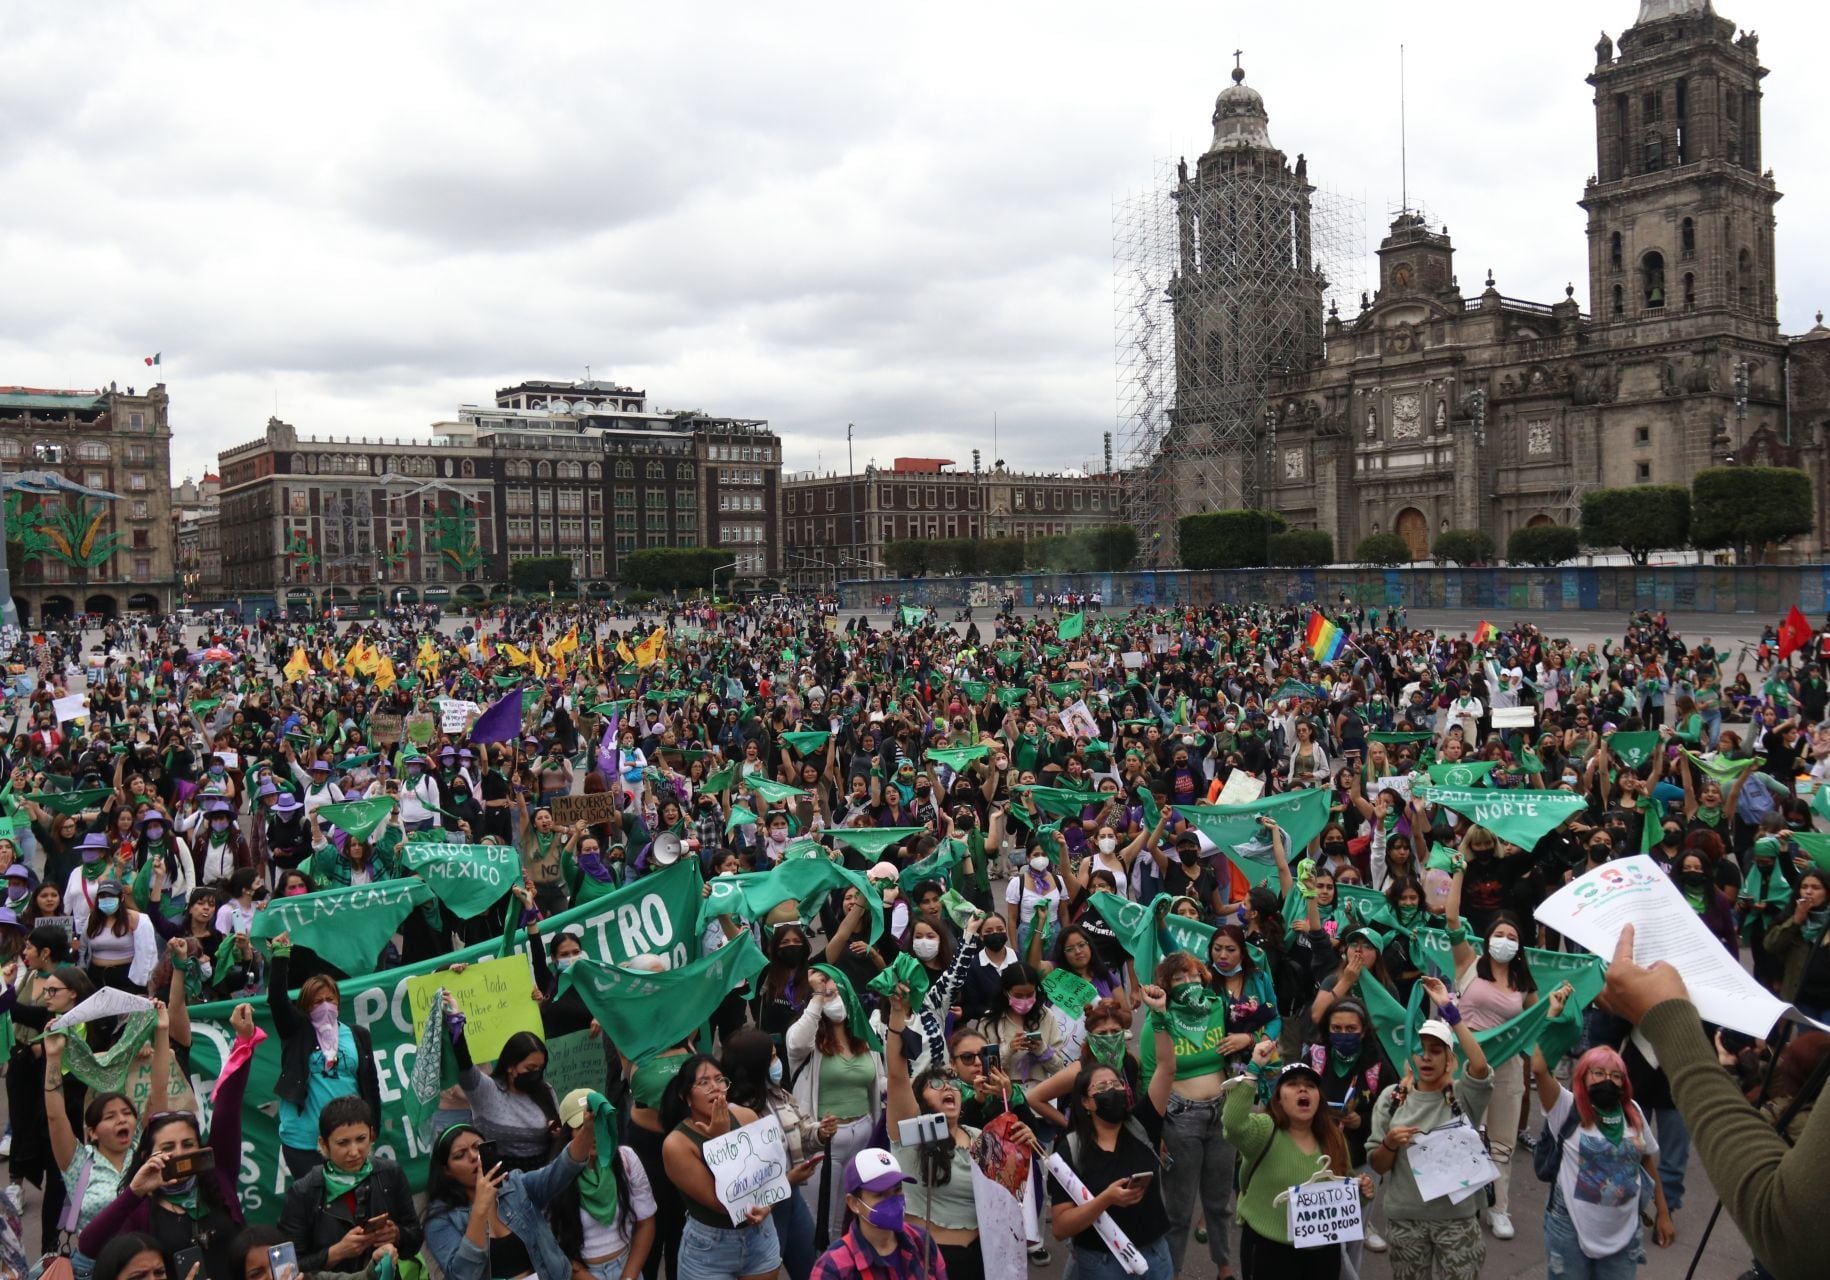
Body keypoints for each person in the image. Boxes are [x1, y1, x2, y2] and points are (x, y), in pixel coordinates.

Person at [1600, 923, 1830, 1280]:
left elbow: (1789, 1232)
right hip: (1643, 1081)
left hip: (1677, 1091)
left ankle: (1666, 1209)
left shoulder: (1707, 998)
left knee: (1672, 1155)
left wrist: (1670, 1020)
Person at [78, 1002, 260, 1280]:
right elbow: (89, 1244)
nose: (179, 1154)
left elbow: (227, 1109)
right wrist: (135, 1192)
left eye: (188, 1145)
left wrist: (244, 1042)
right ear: (146, 1157)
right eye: (167, 1148)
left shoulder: (217, 1180)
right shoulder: (140, 1210)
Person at [1529, 984, 1674, 1279]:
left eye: (1615, 1075)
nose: (1607, 1079)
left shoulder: (1632, 1113)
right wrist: (1552, 1015)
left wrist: (1664, 1213)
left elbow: (1647, 1162)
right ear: (1583, 1077)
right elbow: (1540, 1068)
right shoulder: (1566, 1107)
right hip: (1569, 1230)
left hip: (1623, 1235)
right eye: (1598, 1073)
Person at [1367, 976, 1495, 1280]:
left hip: (1458, 1221)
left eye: (1436, 1050)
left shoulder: (1463, 1096)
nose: (1426, 1056)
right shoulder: (1392, 1098)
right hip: (1406, 1221)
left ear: (1450, 1060)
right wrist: (1390, 1143)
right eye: (1421, 1049)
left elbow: (1480, 1067)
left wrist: (1449, 1010)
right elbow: (1377, 1163)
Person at [1048, 982, 1177, 1280]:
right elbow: (1060, 1227)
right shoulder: (1071, 1149)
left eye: (1116, 1085)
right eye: (1102, 1087)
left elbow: (1166, 1068)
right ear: (1086, 1102)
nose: (1112, 1090)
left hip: (1155, 1254)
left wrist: (1159, 1016)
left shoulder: (1143, 1123)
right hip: (1099, 1262)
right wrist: (1104, 1200)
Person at [1222, 1040, 1373, 1280]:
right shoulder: (1265, 1130)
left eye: (1310, 1086)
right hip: (1269, 1250)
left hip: (1323, 1254)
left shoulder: (1334, 1138)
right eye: (1292, 1085)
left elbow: (1345, 1192)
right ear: (1279, 1099)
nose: (1303, 1090)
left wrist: (1362, 1192)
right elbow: (1233, 1125)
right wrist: (1252, 1071)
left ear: (1318, 1098)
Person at [1445, 862, 1537, 1241]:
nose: (1504, 939)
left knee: (1501, 1140)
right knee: (1457, 1134)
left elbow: (1537, 1019)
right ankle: (1458, 1203)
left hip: (1508, 1065)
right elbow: (1451, 917)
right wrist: (1459, 873)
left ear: (1518, 944)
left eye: (1511, 935)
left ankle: (1499, 1208)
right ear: (1487, 938)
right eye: (1498, 933)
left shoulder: (1522, 980)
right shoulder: (1467, 963)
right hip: (1464, 1062)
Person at [419, 1115, 592, 1280]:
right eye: (460, 1155)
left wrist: (587, 1130)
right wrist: (480, 1208)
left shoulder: (515, 1185)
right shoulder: (440, 1220)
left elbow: (561, 1169)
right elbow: (463, 1275)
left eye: (478, 1147)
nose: (473, 1157)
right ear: (446, 1170)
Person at [659, 1054, 782, 1280]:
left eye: (719, 1079)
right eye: (704, 1082)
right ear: (685, 1096)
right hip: (710, 1249)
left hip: (760, 1237)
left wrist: (768, 1206)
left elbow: (771, 1176)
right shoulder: (676, 1145)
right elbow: (725, 1203)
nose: (715, 1088)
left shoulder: (746, 1117)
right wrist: (722, 1139)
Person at [268, 935, 383, 1176]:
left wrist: (373, 1127)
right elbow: (277, 1000)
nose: (325, 1005)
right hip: (304, 1142)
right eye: (317, 1002)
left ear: (338, 1002)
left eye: (330, 1000)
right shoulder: (296, 1031)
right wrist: (280, 957)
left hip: (349, 1141)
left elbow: (371, 1084)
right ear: (306, 1006)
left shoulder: (357, 1034)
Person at [787, 966, 883, 1241]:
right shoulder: (809, 1040)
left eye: (833, 989)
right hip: (825, 1140)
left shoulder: (865, 1036)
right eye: (822, 991)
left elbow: (880, 1080)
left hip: (863, 1134)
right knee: (818, 1222)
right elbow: (794, 1044)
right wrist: (817, 997)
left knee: (849, 1218)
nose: (829, 994)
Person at [276, 1097, 422, 1275]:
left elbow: (415, 1237)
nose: (354, 1152)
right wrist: (336, 1253)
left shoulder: (390, 1174)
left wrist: (397, 1235)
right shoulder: (304, 1192)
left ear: (372, 1134)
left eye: (361, 1139)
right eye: (343, 1143)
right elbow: (286, 1270)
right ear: (324, 1144)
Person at [722, 1029, 823, 1280]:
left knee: (811, 1269)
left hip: (793, 1200)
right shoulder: (732, 1114)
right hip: (764, 1211)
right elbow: (743, 1181)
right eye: (772, 1057)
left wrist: (821, 1134)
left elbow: (802, 1133)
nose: (778, 1064)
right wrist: (787, 1179)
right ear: (756, 1065)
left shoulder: (779, 1095)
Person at [548, 1088, 658, 1280]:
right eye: (584, 1126)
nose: (595, 1133)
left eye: (600, 1123)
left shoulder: (626, 1160)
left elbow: (646, 1223)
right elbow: (549, 1241)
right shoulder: (553, 1177)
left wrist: (629, 1277)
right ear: (568, 1133)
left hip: (627, 1267)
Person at [808, 1149, 947, 1280]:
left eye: (897, 1190)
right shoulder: (832, 1267)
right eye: (880, 1194)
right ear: (854, 1203)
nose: (893, 1200)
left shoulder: (922, 1242)